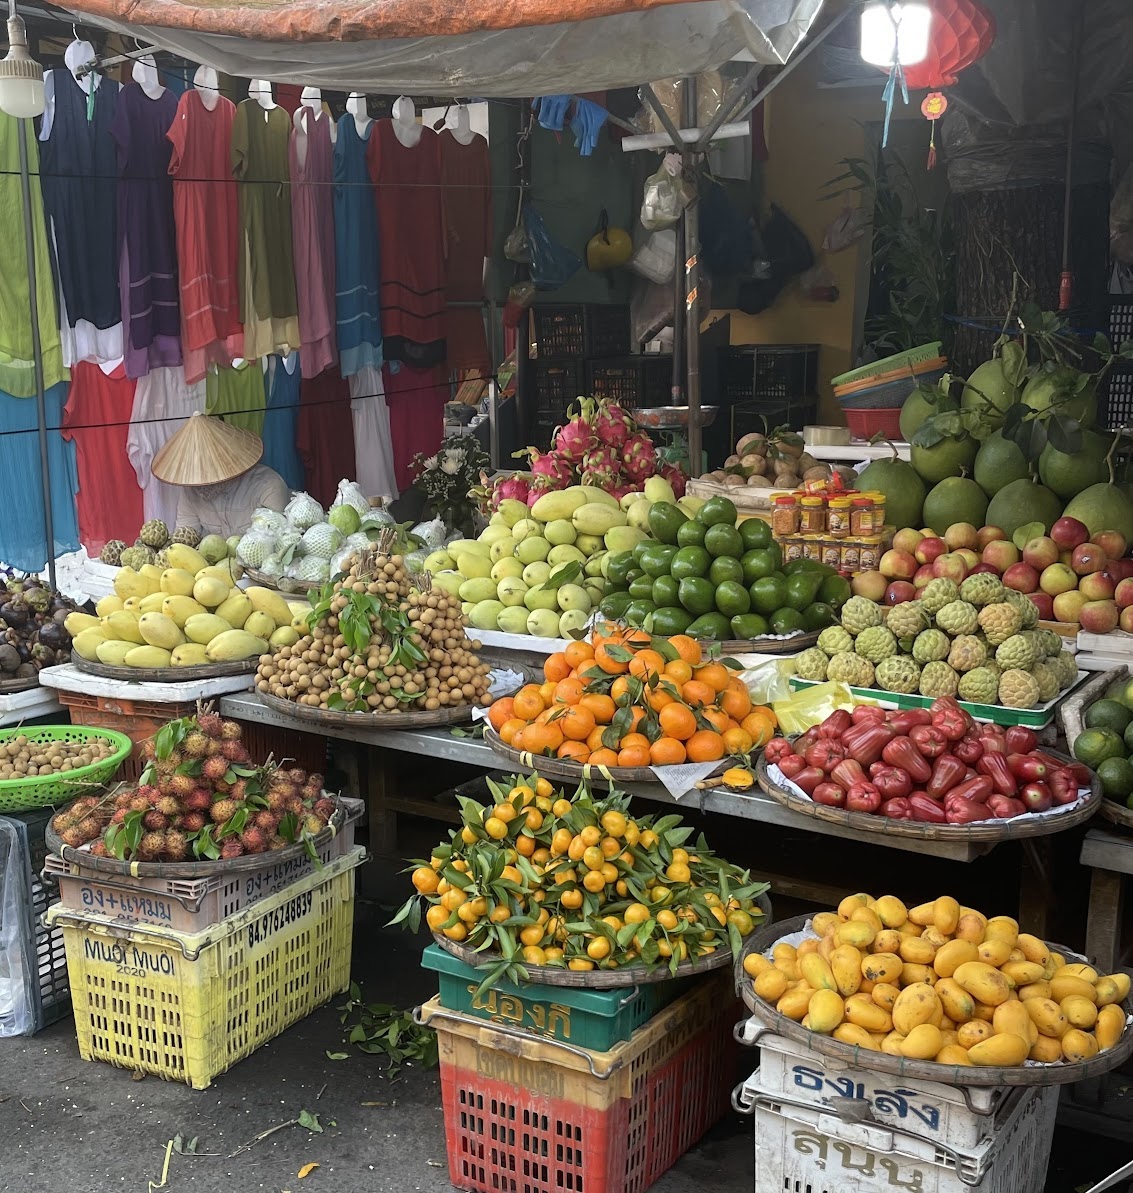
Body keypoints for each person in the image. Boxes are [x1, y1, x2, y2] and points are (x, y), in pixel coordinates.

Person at [149, 412, 289, 538]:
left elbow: (277, 542)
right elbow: (185, 542)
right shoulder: (190, 492)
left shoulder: (268, 486)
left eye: (207, 476)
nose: (200, 484)